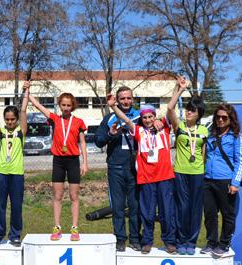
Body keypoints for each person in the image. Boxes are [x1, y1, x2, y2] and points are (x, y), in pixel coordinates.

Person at [107, 94, 177, 255]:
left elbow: (171, 108)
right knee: (147, 212)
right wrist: (113, 106)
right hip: (146, 178)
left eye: (150, 117)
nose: (147, 120)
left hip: (165, 176)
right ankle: (147, 241)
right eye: (144, 117)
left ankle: (169, 241)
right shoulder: (138, 131)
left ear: (155, 117)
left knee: (167, 211)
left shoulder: (164, 128)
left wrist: (179, 90)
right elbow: (125, 119)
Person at [27, 86, 88, 241]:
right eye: (63, 105)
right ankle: (57, 227)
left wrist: (85, 163)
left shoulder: (79, 122)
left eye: (69, 105)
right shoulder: (55, 119)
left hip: (73, 161)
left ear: (72, 106)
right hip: (58, 161)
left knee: (74, 195)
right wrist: (27, 91)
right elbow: (38, 106)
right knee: (58, 195)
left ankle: (74, 228)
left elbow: (82, 143)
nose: (66, 108)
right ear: (59, 105)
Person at [95, 86, 141, 252]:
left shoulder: (139, 116)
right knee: (118, 205)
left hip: (136, 168)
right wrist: (110, 134)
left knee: (136, 205)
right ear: (117, 100)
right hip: (116, 167)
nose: (126, 101)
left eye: (128, 98)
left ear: (133, 99)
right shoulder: (109, 118)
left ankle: (135, 238)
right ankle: (120, 238)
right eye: (122, 99)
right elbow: (98, 141)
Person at [166, 77, 208, 255]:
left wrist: (202, 170)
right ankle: (181, 239)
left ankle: (191, 241)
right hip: (180, 172)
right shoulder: (179, 126)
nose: (189, 112)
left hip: (197, 172)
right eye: (188, 109)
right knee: (181, 207)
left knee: (195, 208)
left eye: (193, 110)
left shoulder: (204, 131)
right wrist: (181, 89)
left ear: (199, 113)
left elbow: (203, 154)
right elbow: (169, 108)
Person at [0, 83, 29, 248]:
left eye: (13, 119)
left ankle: (15, 234)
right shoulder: (1, 132)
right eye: (7, 119)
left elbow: (24, 110)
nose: (10, 122)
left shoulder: (21, 132)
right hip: (2, 173)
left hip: (17, 174)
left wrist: (27, 91)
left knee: (17, 205)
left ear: (17, 119)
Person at [202, 104, 242, 258]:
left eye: (224, 117)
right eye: (218, 117)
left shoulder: (236, 136)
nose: (220, 120)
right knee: (209, 213)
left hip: (226, 180)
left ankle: (224, 243)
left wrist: (235, 183)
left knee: (228, 214)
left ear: (230, 119)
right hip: (208, 179)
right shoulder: (211, 133)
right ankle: (211, 242)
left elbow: (240, 161)